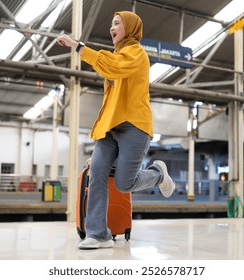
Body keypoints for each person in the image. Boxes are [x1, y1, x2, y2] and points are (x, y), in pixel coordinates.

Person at [57, 11, 175, 249]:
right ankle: (98, 233)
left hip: (134, 126)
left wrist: (79, 47)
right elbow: (110, 100)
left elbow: (112, 68)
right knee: (97, 173)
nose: (112, 27)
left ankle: (158, 174)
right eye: (111, 23)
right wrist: (100, 144)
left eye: (117, 23)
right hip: (110, 129)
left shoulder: (136, 54)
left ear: (130, 28)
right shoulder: (116, 56)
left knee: (123, 183)